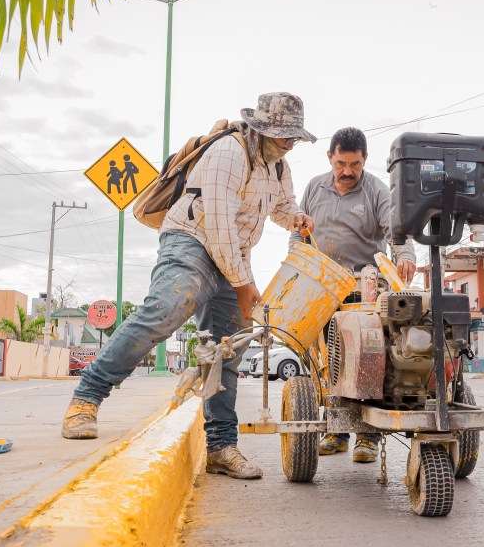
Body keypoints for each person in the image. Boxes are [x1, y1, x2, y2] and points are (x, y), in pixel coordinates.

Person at [61, 92, 317, 481]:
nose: (290, 143)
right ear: (262, 127)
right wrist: (245, 284)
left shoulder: (278, 167)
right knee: (167, 309)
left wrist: (296, 217)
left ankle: (220, 446)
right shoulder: (229, 152)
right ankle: (87, 397)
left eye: (294, 136)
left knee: (228, 347)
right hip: (191, 240)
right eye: (284, 135)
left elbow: (279, 207)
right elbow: (217, 224)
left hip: (235, 253)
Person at [290, 127, 416, 463]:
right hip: (323, 286)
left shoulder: (377, 190)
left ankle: (367, 436)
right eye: (342, 163)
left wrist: (405, 255)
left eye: (355, 164)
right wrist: (296, 267)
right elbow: (298, 236)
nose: (348, 171)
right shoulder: (314, 187)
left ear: (365, 161)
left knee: (369, 356)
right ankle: (336, 429)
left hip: (366, 287)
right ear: (330, 157)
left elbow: (397, 232)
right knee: (327, 359)